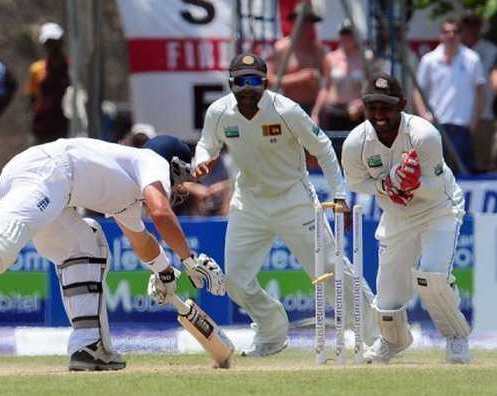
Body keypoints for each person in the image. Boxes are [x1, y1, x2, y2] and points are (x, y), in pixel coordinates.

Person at [0, 134, 225, 371]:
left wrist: (165, 271)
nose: (179, 188)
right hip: (50, 173)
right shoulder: (150, 162)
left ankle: (90, 347)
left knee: (88, 245)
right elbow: (161, 212)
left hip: (53, 184)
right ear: (173, 164)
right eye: (180, 179)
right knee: (6, 232)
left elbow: (141, 240)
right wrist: (190, 260)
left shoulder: (127, 196)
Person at [193, 52, 378, 357]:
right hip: (249, 203)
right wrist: (201, 161)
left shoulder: (287, 110)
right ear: (231, 84)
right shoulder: (219, 112)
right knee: (236, 282)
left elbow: (323, 149)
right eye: (241, 82)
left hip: (294, 200)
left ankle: (373, 336)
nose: (248, 89)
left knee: (330, 268)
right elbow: (206, 145)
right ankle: (271, 332)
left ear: (266, 82)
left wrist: (339, 194)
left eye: (254, 81)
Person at [342, 73, 470, 364]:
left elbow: (436, 187)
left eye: (386, 107)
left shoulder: (424, 135)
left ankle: (457, 338)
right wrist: (387, 185)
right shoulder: (355, 143)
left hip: (438, 209)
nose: (379, 115)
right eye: (372, 107)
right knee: (387, 299)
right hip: (397, 215)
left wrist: (409, 184)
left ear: (401, 103)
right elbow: (355, 182)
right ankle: (392, 342)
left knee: (433, 279)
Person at [413, 18, 486, 173]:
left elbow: (481, 92)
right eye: (447, 32)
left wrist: (474, 120)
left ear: (460, 35)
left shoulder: (472, 59)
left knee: (463, 171)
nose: (451, 35)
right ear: (440, 35)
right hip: (436, 124)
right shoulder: (429, 59)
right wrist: (423, 115)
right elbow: (417, 89)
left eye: (455, 31)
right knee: (435, 171)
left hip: (462, 125)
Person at [266, 9, 326, 116]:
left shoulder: (318, 50)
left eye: (310, 23)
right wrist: (301, 77)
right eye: (304, 22)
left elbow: (327, 84)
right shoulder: (281, 48)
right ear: (293, 23)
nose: (307, 26)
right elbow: (270, 80)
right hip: (287, 106)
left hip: (313, 107)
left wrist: (315, 81)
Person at [312, 19, 367, 132]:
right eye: (344, 34)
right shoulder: (330, 58)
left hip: (356, 112)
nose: (347, 38)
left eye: (349, 34)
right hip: (333, 111)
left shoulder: (365, 58)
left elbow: (370, 86)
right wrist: (315, 113)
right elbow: (325, 87)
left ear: (355, 36)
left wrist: (363, 103)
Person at [460, 12, 497, 172]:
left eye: (474, 24)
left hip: (483, 115)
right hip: (457, 118)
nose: (470, 28)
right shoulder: (453, 49)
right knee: (456, 165)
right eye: (466, 24)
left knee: (482, 163)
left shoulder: (491, 50)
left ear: (480, 27)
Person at [25, 22, 70, 145]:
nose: (52, 47)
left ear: (61, 42)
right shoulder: (37, 69)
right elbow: (33, 98)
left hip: (66, 125)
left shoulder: (71, 67)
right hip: (42, 126)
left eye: (55, 42)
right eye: (49, 43)